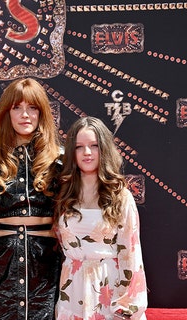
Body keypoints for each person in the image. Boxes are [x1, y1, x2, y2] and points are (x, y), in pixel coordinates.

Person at [0, 78, 63, 320]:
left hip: (48, 263)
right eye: (17, 107)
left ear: (43, 112)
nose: (25, 115)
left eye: (32, 107)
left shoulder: (61, 161)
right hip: (1, 263)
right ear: (6, 112)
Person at [55, 116, 147, 320]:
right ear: (72, 152)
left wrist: (126, 307)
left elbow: (131, 255)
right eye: (79, 147)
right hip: (72, 289)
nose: (87, 153)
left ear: (104, 148)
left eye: (94, 145)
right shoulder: (63, 193)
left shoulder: (120, 196)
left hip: (109, 289)